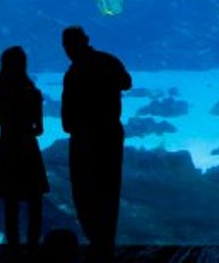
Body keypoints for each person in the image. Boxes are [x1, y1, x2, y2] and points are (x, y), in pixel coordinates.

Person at [61, 25, 132, 262]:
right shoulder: (107, 60)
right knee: (109, 189)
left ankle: (97, 241)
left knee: (84, 190)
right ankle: (105, 244)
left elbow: (66, 116)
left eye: (69, 45)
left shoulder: (74, 72)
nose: (67, 50)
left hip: (84, 137)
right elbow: (126, 83)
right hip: (110, 133)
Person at [0, 46, 50, 255]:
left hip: (7, 149)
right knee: (35, 203)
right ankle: (33, 246)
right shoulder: (33, 92)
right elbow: (39, 129)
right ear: (24, 64)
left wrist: (0, 156)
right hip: (28, 149)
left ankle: (13, 248)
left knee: (11, 205)